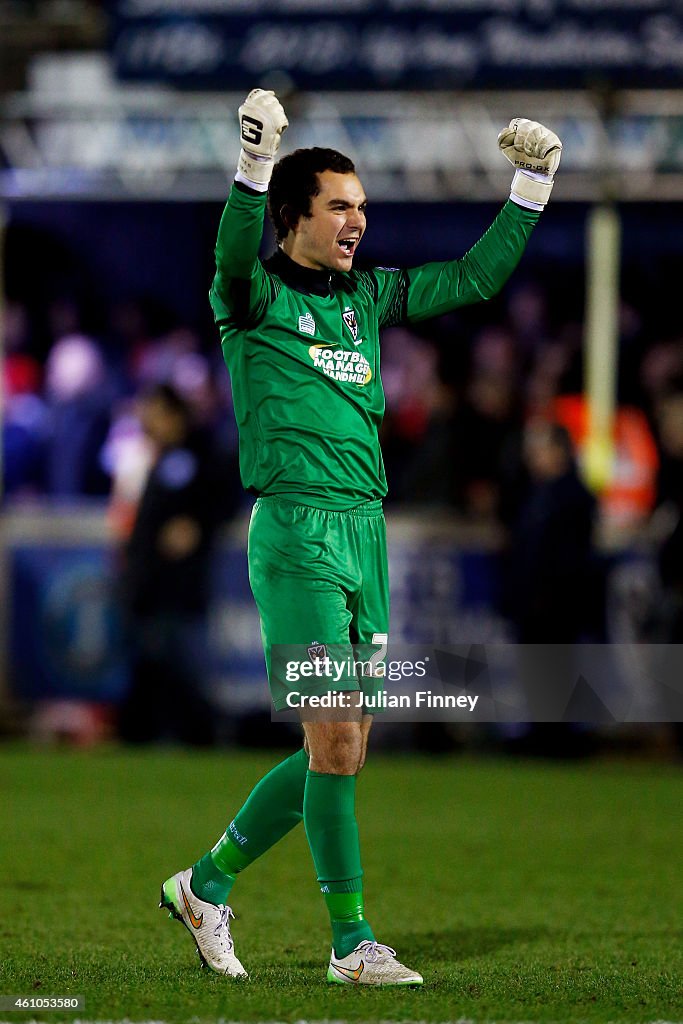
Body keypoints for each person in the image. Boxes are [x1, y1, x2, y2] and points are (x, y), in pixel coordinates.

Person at [159, 90, 562, 984]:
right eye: (339, 206)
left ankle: (207, 883)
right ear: (293, 218)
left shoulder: (366, 297)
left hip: (364, 533)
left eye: (362, 206)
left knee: (338, 747)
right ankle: (350, 943)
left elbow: (473, 279)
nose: (357, 220)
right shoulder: (252, 294)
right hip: (296, 530)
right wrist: (251, 167)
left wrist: (530, 187)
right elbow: (230, 253)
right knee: (334, 735)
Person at [118, 383, 238, 744]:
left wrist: (198, 525)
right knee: (151, 667)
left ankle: (197, 738)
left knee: (186, 667)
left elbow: (226, 497)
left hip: (181, 587)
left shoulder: (201, 452)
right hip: (147, 585)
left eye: (154, 413)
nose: (148, 422)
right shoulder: (156, 456)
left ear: (173, 414)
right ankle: (152, 736)